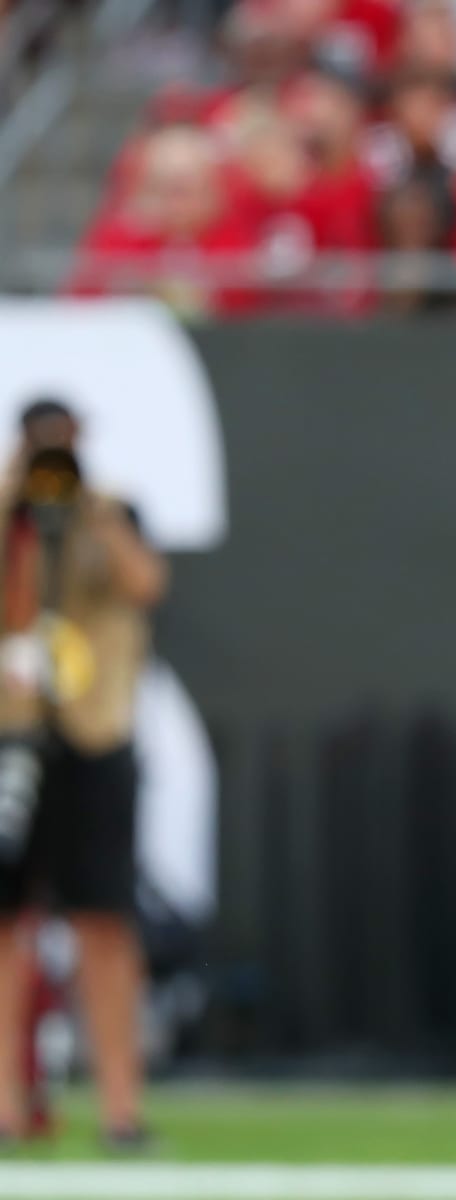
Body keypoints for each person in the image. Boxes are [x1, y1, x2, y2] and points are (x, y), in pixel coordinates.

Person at [0, 399, 167, 1150]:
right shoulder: (12, 519)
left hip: (95, 734)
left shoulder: (113, 512)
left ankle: (120, 1111)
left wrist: (91, 509)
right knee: (7, 926)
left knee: (104, 922)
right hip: (15, 733)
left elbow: (145, 585)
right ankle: (5, 1106)